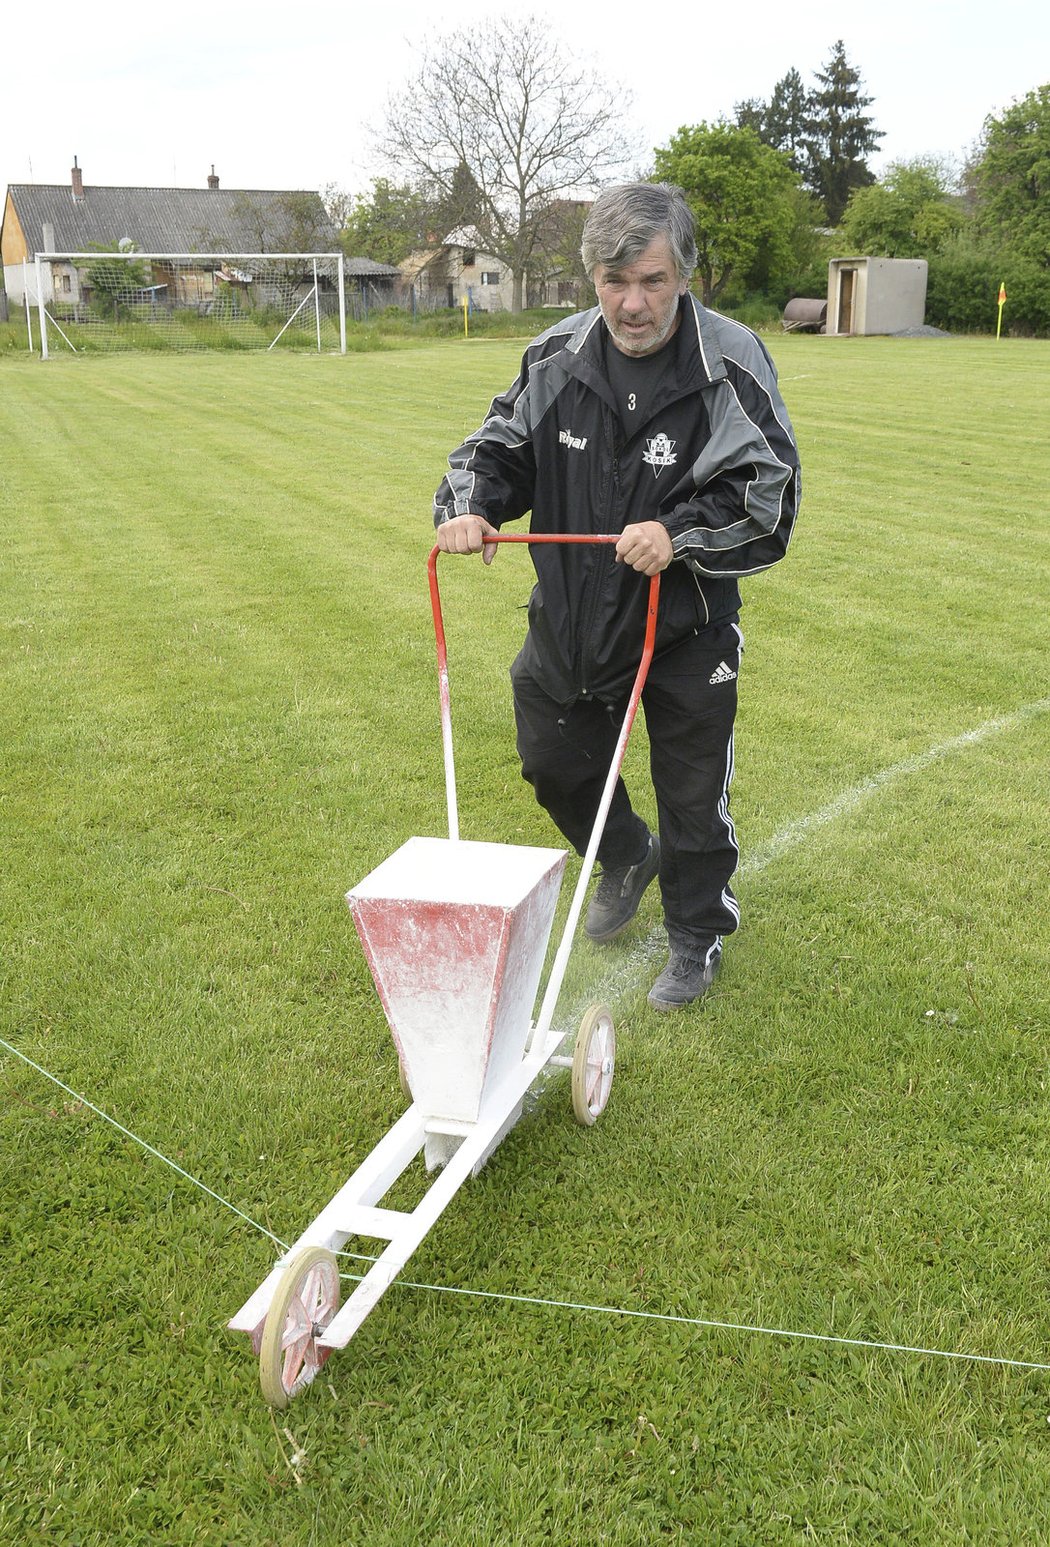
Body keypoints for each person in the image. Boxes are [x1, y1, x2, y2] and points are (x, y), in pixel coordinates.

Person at [433, 182, 800, 1010]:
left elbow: (769, 504)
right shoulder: (556, 355)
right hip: (569, 622)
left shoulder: (730, 365)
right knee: (551, 762)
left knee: (694, 798)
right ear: (589, 276)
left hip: (683, 631)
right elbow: (494, 450)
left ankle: (695, 935)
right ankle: (629, 854)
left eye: (653, 281)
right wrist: (471, 508)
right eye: (613, 279)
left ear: (685, 276)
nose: (632, 304)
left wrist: (680, 536)